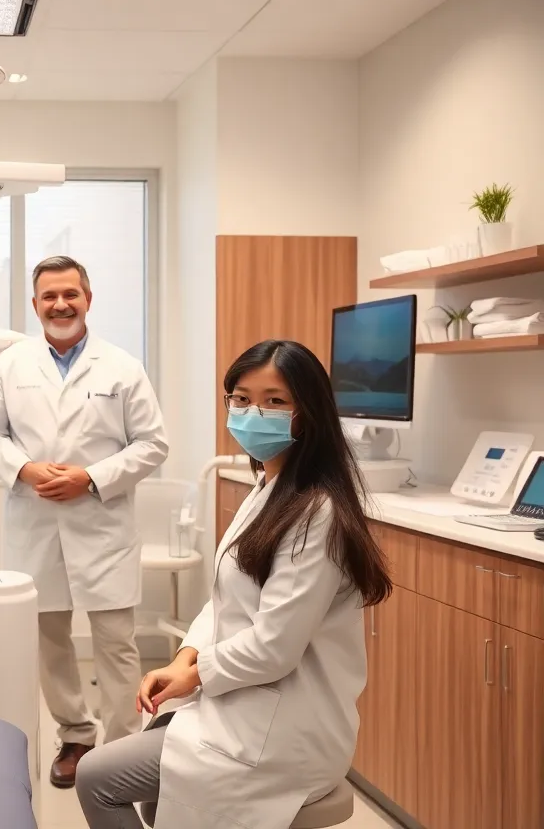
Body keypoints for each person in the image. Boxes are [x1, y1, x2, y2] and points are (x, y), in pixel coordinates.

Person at [75, 340, 394, 829]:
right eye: (241, 399)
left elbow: (274, 648)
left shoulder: (317, 512)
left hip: (286, 728)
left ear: (306, 413)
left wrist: (196, 674)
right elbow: (226, 599)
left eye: (274, 400)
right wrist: (186, 656)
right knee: (155, 785)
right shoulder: (269, 487)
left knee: (97, 776)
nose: (253, 412)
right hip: (246, 702)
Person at [0, 255, 168, 787]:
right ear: (35, 305)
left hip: (101, 522)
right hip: (35, 521)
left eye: (70, 294)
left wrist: (91, 477)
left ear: (88, 298)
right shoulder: (12, 365)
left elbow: (154, 444)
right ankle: (76, 736)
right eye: (49, 297)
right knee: (49, 637)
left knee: (114, 641)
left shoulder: (122, 366)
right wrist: (26, 468)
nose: (60, 304)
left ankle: (123, 748)